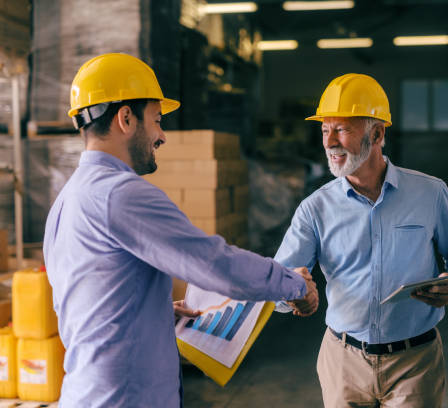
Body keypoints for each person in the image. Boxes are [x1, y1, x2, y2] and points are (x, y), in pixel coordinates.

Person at [43, 53, 318, 408]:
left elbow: (83, 300)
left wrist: (151, 310)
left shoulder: (67, 200)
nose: (162, 136)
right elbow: (214, 263)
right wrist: (292, 284)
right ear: (126, 118)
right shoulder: (122, 195)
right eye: (156, 120)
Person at [275, 73, 448, 408]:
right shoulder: (315, 208)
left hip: (415, 362)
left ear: (377, 133)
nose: (329, 142)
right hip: (343, 362)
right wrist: (292, 294)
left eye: (341, 129)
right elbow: (279, 279)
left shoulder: (430, 193)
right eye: (325, 130)